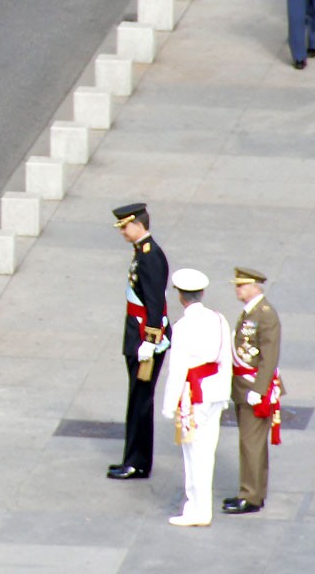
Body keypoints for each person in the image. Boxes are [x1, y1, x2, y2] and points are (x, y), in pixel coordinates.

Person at [160, 268, 232, 527]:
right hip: (215, 390)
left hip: (194, 395)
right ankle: (200, 506)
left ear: (180, 296)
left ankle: (198, 508)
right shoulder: (219, 318)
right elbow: (226, 357)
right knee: (207, 450)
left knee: (194, 454)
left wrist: (169, 406)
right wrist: (225, 392)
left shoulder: (183, 326)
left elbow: (177, 369)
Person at [108, 202, 172, 479]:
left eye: (125, 227)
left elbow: (155, 303)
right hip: (139, 336)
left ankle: (137, 462)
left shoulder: (150, 256)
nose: (123, 232)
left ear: (138, 225)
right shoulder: (142, 252)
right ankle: (135, 458)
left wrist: (149, 339)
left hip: (146, 341)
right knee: (137, 399)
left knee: (140, 401)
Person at [223, 267, 285, 516]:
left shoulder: (265, 315)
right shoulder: (251, 312)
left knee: (251, 444)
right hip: (244, 386)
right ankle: (252, 491)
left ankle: (250, 495)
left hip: (253, 388)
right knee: (251, 443)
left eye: (241, 285)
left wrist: (259, 390)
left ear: (254, 286)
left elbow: (269, 357)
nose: (237, 289)